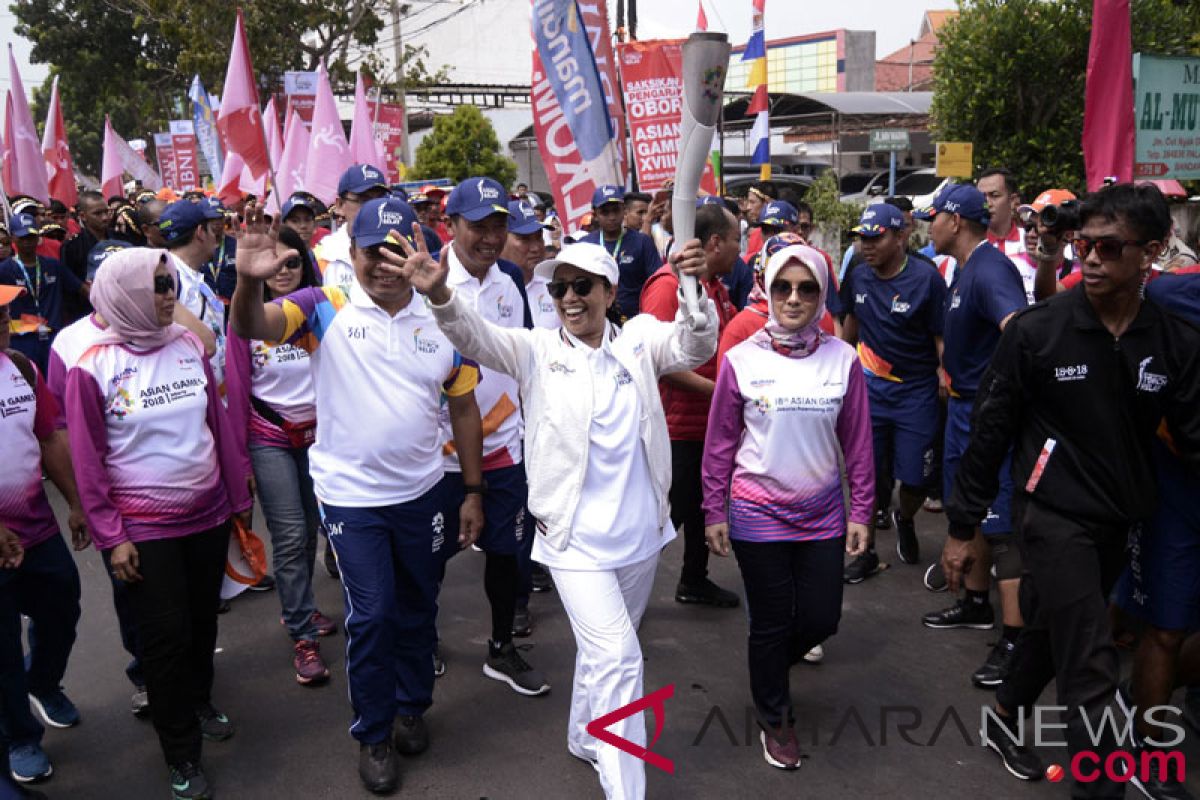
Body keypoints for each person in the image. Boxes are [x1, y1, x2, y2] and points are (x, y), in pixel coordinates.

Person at [415, 235, 715, 800]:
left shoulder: (641, 343)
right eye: (559, 288)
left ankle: (584, 733)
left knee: (604, 651)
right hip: (575, 544)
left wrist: (694, 289)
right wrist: (441, 297)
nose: (569, 298)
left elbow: (695, 344)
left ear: (608, 291)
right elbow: (473, 335)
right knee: (622, 659)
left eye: (582, 286)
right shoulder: (535, 350)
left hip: (639, 539)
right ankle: (627, 789)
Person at [944, 183, 1200, 796]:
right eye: (1083, 245)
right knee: (1090, 658)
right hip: (1050, 513)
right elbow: (990, 432)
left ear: (1153, 252)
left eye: (1109, 249)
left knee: (1057, 625)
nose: (1090, 259)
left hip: (1119, 515)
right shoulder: (1038, 332)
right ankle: (1104, 783)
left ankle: (1005, 714)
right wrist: (961, 528)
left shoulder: (1172, 340)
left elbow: (1193, 437)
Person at [229, 199, 484, 796]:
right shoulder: (326, 308)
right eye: (374, 252)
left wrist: (473, 491)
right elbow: (251, 326)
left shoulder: (444, 320)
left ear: (419, 250)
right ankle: (373, 734)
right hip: (351, 499)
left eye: (398, 251)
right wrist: (246, 280)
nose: (386, 265)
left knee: (419, 606)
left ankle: (410, 707)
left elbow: (465, 405)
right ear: (353, 254)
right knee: (371, 615)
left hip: (423, 495)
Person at [64, 248, 253, 800]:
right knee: (165, 639)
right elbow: (87, 460)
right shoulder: (91, 366)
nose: (169, 296)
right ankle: (181, 752)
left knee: (202, 622)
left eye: (171, 284)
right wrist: (111, 535)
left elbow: (216, 421)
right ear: (125, 296)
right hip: (144, 529)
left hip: (208, 514)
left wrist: (237, 493)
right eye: (158, 287)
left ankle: (200, 699)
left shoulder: (187, 344)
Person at [702, 243, 873, 770]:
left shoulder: (843, 359)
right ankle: (775, 719)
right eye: (783, 287)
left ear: (823, 294)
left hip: (822, 514)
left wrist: (862, 510)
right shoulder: (741, 360)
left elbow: (859, 443)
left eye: (806, 288)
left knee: (823, 618)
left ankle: (769, 666)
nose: (793, 298)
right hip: (757, 513)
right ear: (767, 290)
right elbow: (720, 444)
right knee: (771, 622)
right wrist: (714, 510)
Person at [913, 185, 1029, 694]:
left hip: (987, 414)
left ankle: (1018, 641)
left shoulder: (991, 270)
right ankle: (977, 603)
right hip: (962, 407)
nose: (927, 226)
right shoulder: (965, 269)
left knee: (1002, 527)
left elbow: (1020, 334)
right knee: (971, 508)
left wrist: (995, 395)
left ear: (955, 221)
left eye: (932, 218)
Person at [439, 178, 548, 694]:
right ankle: (421, 645)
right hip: (437, 453)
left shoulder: (508, 276)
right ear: (451, 225)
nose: (490, 236)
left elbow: (520, 357)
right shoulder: (430, 279)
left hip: (505, 443)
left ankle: (501, 648)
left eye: (498, 225)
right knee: (427, 560)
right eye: (477, 225)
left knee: (508, 555)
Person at [225, 225, 338, 687]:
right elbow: (234, 389)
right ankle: (301, 634)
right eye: (274, 264)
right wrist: (242, 466)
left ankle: (302, 607)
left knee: (312, 528)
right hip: (268, 437)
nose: (283, 271)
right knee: (290, 535)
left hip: (321, 439)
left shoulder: (323, 306)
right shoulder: (247, 319)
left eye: (292, 262)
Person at [0, 285, 88, 785]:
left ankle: (43, 682)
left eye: (7, 310)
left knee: (63, 604)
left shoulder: (22, 368)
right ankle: (19, 736)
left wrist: (75, 503)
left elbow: (49, 437)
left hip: (35, 528)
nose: (5, 318)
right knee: (2, 650)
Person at [838, 204, 947, 583]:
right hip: (869, 390)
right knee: (866, 473)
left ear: (900, 236)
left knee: (916, 478)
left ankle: (905, 517)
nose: (866, 245)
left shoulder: (926, 279)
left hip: (916, 391)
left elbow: (940, 335)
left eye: (875, 237)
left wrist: (945, 375)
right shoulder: (858, 275)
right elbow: (848, 325)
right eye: (861, 238)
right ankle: (864, 551)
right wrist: (838, 371)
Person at [641, 203, 741, 608]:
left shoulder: (713, 285)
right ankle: (630, 597)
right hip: (676, 429)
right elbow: (656, 360)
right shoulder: (668, 286)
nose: (740, 249)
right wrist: (719, 392)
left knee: (704, 508)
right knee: (666, 519)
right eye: (736, 240)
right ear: (714, 242)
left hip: (707, 426)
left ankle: (694, 580)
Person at [0, 214, 86, 372]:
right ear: (13, 238)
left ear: (38, 236)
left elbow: (81, 289)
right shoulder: (4, 271)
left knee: (57, 386)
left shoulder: (53, 265)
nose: (27, 242)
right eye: (22, 237)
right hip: (22, 340)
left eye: (31, 236)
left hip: (54, 337)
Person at [158, 199, 228, 390]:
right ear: (200, 233)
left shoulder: (191, 274)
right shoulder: (168, 279)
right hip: (193, 393)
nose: (216, 237)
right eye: (212, 230)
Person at [582, 186, 663, 319]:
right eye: (605, 212)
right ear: (595, 215)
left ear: (624, 210)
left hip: (636, 320)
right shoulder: (584, 245)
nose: (612, 217)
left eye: (616, 210)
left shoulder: (642, 242)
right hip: (597, 321)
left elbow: (656, 283)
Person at [314, 164, 391, 287]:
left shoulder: (402, 250)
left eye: (379, 200)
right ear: (339, 205)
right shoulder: (322, 255)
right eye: (363, 200)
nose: (373, 208)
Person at [59, 191, 112, 324]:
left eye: (106, 212)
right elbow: (70, 286)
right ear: (83, 216)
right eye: (98, 213)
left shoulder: (121, 239)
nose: (105, 217)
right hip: (88, 314)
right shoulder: (72, 247)